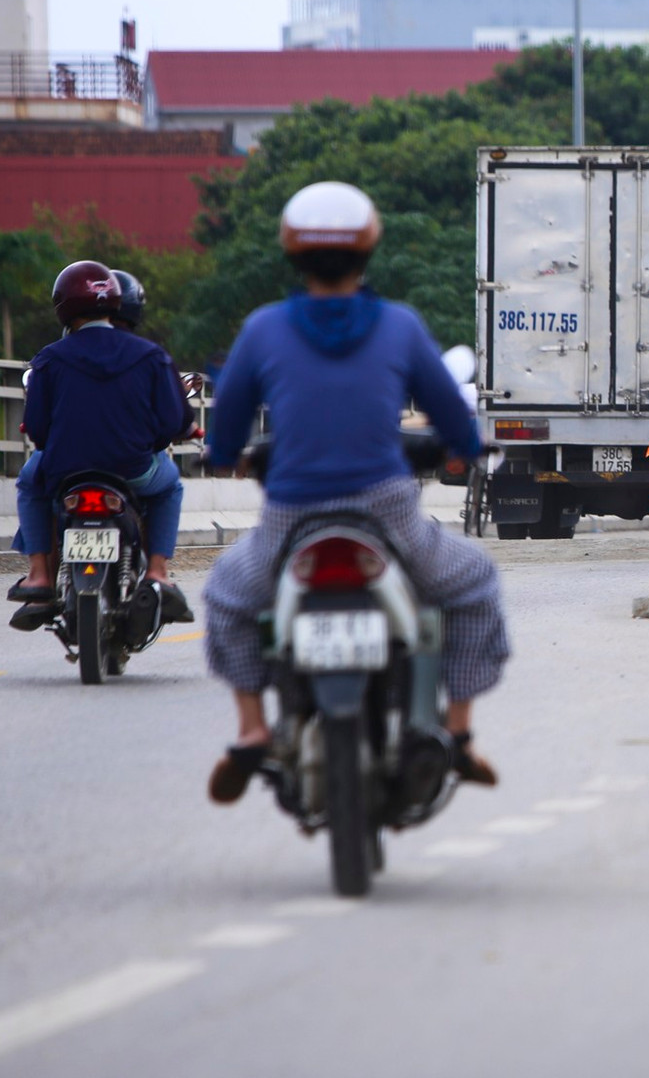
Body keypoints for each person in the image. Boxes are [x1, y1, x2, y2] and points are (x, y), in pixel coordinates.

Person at [200, 182, 508, 804]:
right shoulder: (400, 325)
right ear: (368, 250)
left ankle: (253, 729)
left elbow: (225, 428)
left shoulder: (262, 329)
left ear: (293, 254)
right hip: (388, 513)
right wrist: (467, 449)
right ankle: (458, 734)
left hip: (291, 518)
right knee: (474, 585)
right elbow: (453, 416)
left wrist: (226, 456)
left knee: (227, 596)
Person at [10, 262, 192, 632]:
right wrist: (151, 443)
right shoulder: (151, 356)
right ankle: (158, 572)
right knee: (170, 485)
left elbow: (39, 431)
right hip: (134, 471)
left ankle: (39, 576)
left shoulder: (49, 358)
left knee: (31, 484)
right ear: (115, 302)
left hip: (65, 472)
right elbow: (173, 423)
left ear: (63, 306)